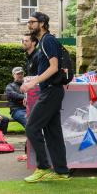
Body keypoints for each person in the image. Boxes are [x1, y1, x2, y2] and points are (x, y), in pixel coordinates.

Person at [20, 11, 70, 182]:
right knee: (53, 133)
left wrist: (32, 83)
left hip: (51, 91)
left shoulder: (48, 40)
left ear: (42, 23)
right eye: (28, 22)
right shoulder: (44, 42)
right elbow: (46, 68)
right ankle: (62, 172)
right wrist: (35, 80)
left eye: (32, 22)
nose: (29, 25)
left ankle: (43, 167)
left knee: (32, 127)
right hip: (51, 91)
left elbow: (54, 67)